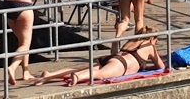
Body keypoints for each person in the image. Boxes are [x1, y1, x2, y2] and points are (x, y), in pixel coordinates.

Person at [34, 36, 166, 86]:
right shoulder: (149, 46)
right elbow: (161, 67)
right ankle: (78, 77)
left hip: (113, 59)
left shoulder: (133, 40)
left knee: (85, 70)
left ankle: (50, 75)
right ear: (152, 39)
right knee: (99, 75)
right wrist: (147, 67)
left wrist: (143, 67)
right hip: (121, 65)